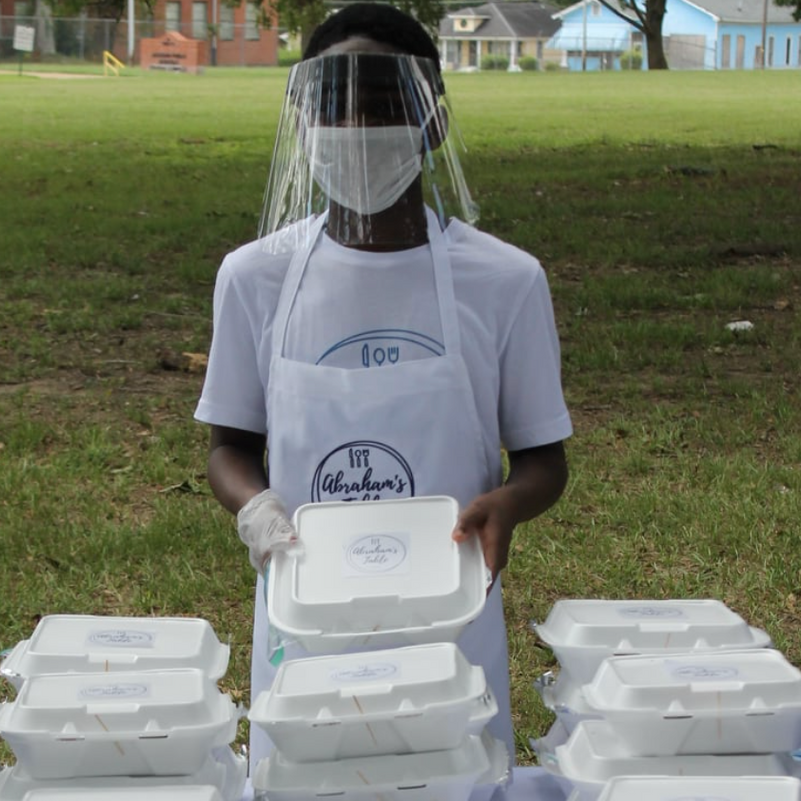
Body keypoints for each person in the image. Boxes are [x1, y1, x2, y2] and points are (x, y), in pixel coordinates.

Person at [194, 2, 572, 775]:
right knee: (309, 779)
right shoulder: (255, 277)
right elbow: (230, 444)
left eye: (383, 103)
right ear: (302, 122)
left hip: (449, 615)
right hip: (307, 613)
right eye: (335, 105)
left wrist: (507, 501)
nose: (358, 127)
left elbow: (543, 457)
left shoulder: (504, 280)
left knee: (452, 776)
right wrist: (257, 509)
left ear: (433, 120)